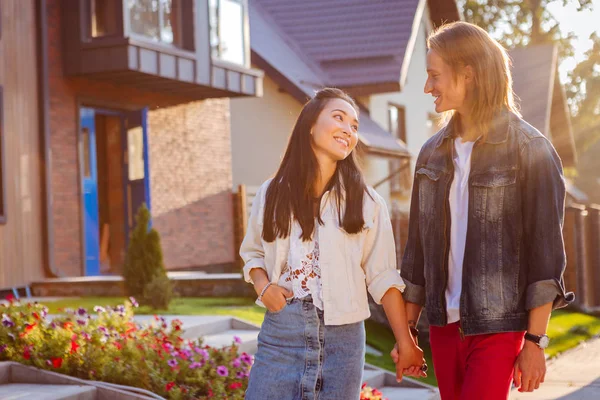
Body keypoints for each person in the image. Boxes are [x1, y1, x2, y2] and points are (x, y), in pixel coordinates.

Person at [392, 21, 575, 400]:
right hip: (443, 326)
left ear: (468, 74)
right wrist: (407, 334)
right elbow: (417, 255)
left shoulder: (531, 149)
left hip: (498, 326)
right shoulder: (430, 154)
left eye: (434, 76)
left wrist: (535, 341)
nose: (428, 87)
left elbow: (545, 258)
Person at [240, 87, 425, 399]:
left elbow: (383, 277)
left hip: (345, 340)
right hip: (281, 333)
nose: (348, 130)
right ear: (310, 125)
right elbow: (253, 253)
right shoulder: (271, 193)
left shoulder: (368, 202)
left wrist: (406, 343)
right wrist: (263, 287)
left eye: (354, 126)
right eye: (338, 118)